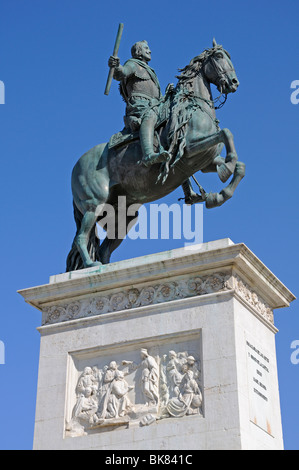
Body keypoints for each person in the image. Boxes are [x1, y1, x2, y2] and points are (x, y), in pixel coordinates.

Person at [108, 40, 172, 167]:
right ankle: (148, 154)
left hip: (154, 104)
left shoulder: (149, 70)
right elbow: (122, 72)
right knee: (150, 116)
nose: (150, 50)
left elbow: (156, 96)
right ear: (138, 51)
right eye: (146, 48)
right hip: (140, 106)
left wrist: (166, 95)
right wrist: (116, 66)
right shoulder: (132, 64)